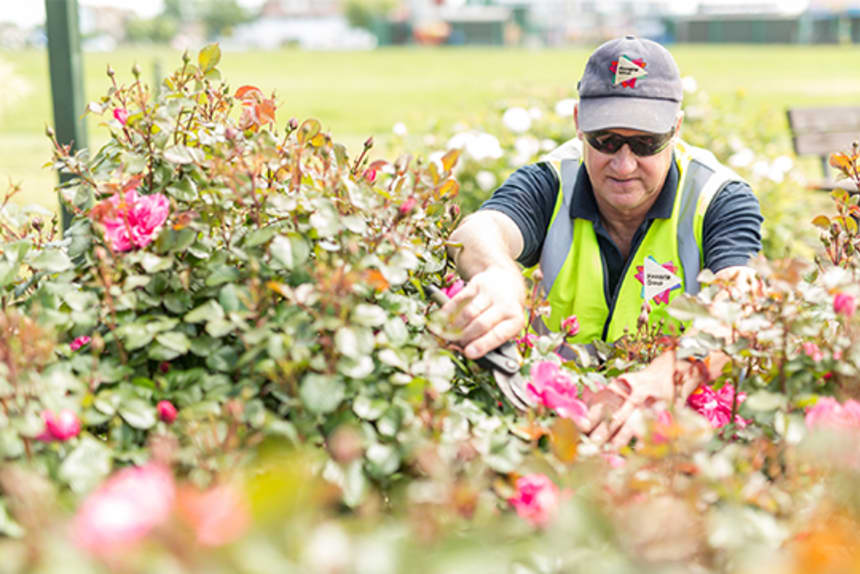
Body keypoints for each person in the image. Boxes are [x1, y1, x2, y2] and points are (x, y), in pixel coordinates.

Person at [441, 36, 763, 447]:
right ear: (579, 123)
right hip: (560, 431)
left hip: (676, 437)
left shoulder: (719, 198)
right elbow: (479, 230)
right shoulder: (552, 180)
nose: (624, 164)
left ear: (676, 129)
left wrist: (664, 379)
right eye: (606, 140)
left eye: (646, 142)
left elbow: (743, 303)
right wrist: (499, 275)